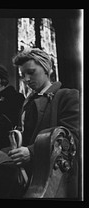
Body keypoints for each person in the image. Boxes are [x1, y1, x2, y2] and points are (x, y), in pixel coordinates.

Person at [8, 47, 80, 197]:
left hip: (55, 180)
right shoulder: (26, 103)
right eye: (23, 75)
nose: (26, 79)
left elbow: (72, 139)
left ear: (47, 69)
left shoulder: (67, 96)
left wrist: (32, 152)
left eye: (31, 72)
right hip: (29, 177)